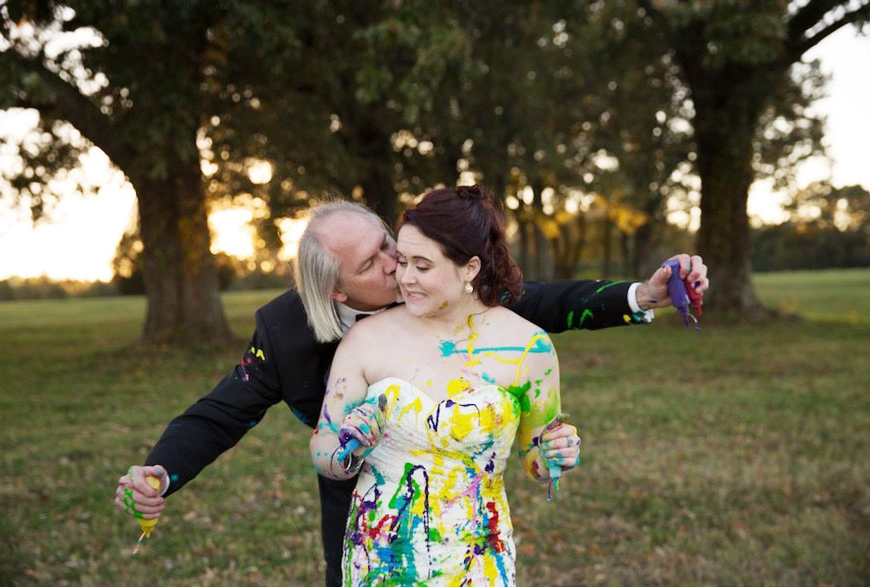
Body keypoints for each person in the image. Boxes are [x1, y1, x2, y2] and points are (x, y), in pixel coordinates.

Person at [115, 192, 709, 586]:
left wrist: (642, 295)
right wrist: (162, 470)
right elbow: (222, 412)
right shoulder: (287, 331)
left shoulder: (438, 279)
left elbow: (543, 303)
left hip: (471, 528)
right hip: (365, 519)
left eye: (387, 243)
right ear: (337, 292)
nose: (396, 263)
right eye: (373, 264)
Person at [311, 185, 576, 584]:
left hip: (478, 559)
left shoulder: (528, 348)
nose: (405, 278)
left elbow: (536, 462)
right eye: (402, 261)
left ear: (470, 268)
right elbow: (323, 445)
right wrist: (348, 450)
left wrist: (556, 456)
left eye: (423, 266)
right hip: (380, 559)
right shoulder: (365, 339)